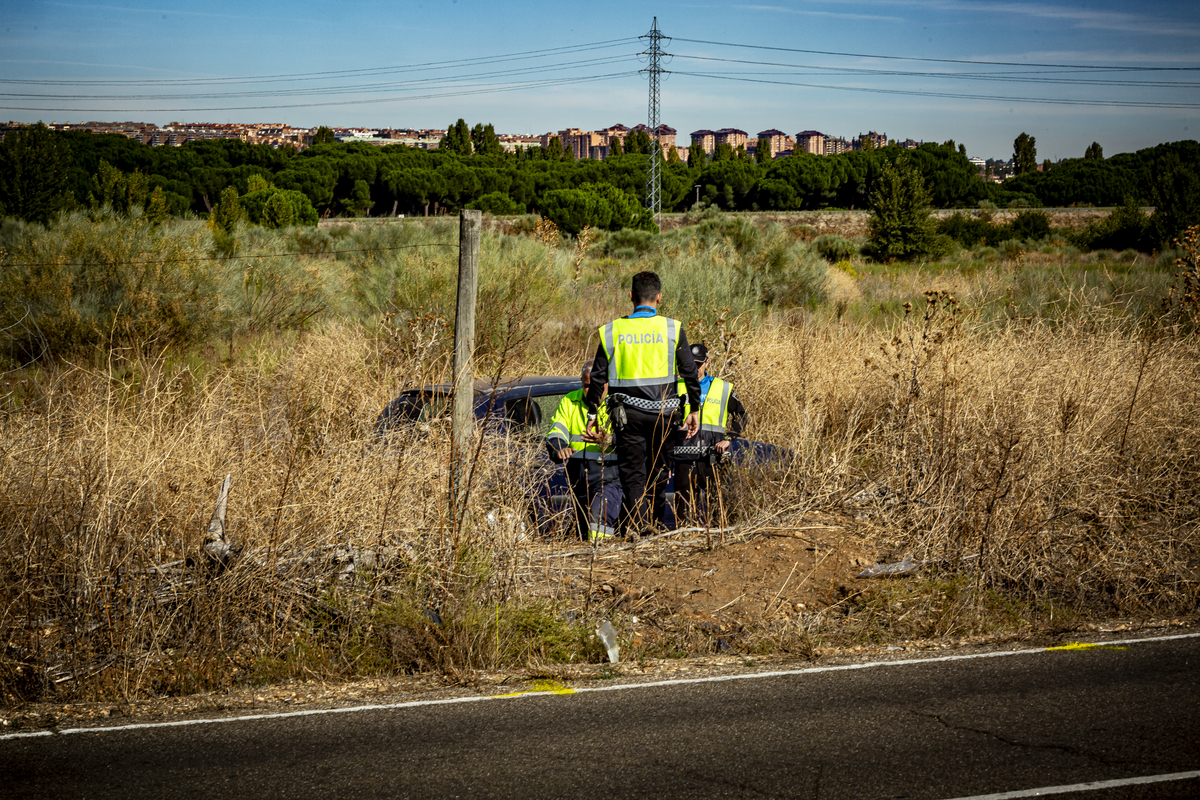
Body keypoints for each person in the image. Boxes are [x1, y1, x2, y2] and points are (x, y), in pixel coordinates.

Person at [585, 271, 702, 538]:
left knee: (632, 474)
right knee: (659, 472)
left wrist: (592, 413)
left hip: (628, 415)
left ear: (631, 297)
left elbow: (598, 378)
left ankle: (638, 525)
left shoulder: (612, 330)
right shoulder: (672, 328)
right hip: (665, 414)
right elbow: (689, 372)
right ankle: (656, 525)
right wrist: (694, 409)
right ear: (659, 298)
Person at [671, 342, 748, 526]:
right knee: (683, 504)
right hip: (684, 455)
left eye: (698, 364)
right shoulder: (675, 387)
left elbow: (742, 415)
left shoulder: (723, 388)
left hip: (713, 455)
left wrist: (730, 439)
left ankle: (716, 535)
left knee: (716, 500)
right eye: (690, 364)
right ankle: (684, 536)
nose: (695, 368)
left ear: (707, 362)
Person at [546, 363, 621, 542]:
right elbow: (557, 430)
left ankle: (600, 557)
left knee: (599, 516)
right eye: (586, 385)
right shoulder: (570, 401)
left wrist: (608, 439)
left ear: (607, 384)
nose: (590, 389)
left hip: (610, 476)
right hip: (578, 477)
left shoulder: (617, 403)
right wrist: (559, 448)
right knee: (583, 529)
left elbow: (633, 439)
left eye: (595, 385)